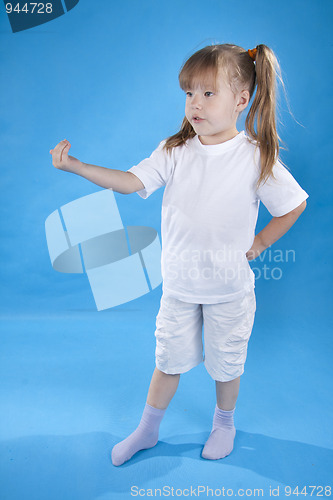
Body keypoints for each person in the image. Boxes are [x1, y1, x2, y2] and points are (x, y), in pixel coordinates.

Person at [50, 43, 308, 466]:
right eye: (189, 93)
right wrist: (79, 167)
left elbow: (294, 203)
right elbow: (132, 181)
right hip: (181, 286)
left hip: (229, 289)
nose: (195, 104)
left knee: (226, 365)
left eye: (209, 93)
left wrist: (260, 243)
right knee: (168, 360)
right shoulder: (174, 151)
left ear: (241, 100)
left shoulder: (255, 155)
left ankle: (224, 423)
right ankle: (148, 429)